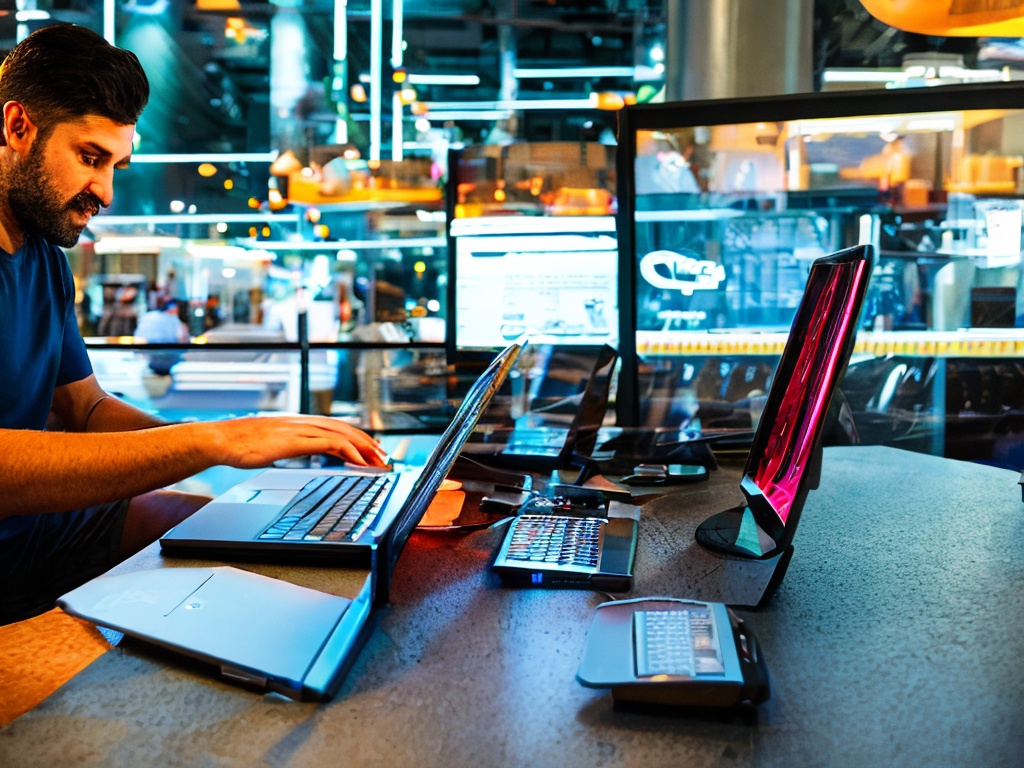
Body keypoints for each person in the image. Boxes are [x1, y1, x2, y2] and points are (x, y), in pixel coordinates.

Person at [0, 24, 387, 625]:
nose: (104, 190)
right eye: (89, 157)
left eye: (116, 165)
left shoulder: (45, 258)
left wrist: (226, 455)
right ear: (18, 126)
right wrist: (216, 440)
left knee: (253, 534)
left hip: (37, 534)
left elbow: (86, 411)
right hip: (13, 549)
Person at [135, 297, 189, 375]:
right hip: (169, 357)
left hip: (152, 358)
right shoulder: (174, 320)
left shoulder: (148, 317)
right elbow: (183, 340)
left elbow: (138, 341)